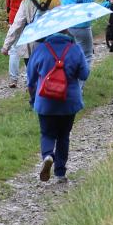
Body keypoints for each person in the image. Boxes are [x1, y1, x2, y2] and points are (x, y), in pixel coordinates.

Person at [27, 30, 90, 184]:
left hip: (45, 101)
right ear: (66, 31)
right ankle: (60, 172)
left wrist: (33, 97)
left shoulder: (40, 49)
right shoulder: (75, 49)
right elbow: (84, 74)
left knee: (47, 133)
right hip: (69, 102)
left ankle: (48, 155)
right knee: (63, 135)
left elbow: (31, 78)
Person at [5, 0, 38, 87]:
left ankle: (13, 79)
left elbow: (8, 0)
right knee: (29, 50)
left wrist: (9, 14)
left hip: (14, 17)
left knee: (14, 50)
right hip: (29, 17)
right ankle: (31, 80)